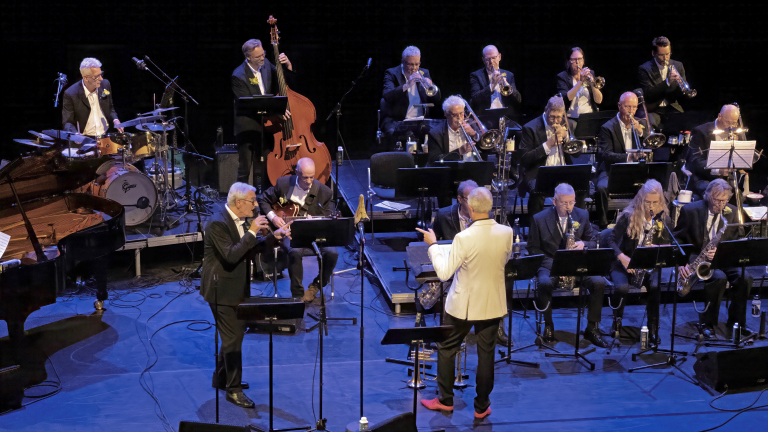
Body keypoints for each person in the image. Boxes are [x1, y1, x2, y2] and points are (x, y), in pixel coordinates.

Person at [416, 187, 513, 419]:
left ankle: (445, 400)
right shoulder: (506, 232)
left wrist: (433, 245)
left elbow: (444, 272)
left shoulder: (463, 237)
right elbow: (504, 259)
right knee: (486, 354)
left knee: (447, 348)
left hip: (464, 306)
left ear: (470, 208)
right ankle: (482, 406)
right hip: (492, 303)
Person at [200, 182, 291, 408]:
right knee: (233, 338)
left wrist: (273, 237)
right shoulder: (217, 224)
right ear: (239, 203)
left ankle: (221, 378)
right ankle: (234, 389)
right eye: (252, 201)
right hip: (221, 289)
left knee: (231, 334)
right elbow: (232, 256)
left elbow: (249, 248)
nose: (255, 206)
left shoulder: (237, 218)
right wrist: (251, 231)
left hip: (236, 287)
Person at [526, 183, 608, 348]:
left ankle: (592, 328)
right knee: (544, 283)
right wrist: (559, 265)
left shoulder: (582, 215)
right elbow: (533, 248)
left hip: (578, 264)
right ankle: (548, 326)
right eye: (564, 203)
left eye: (572, 202)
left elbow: (592, 242)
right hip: (551, 265)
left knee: (599, 282)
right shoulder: (539, 218)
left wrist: (583, 244)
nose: (569, 207)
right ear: (554, 201)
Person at [431, 180, 509, 346]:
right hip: (454, 269)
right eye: (471, 197)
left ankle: (499, 329)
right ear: (460, 199)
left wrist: (432, 245)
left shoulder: (491, 221)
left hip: (474, 282)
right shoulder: (444, 215)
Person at [673, 179, 753, 338]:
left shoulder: (732, 211)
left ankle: (737, 323)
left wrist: (721, 251)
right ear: (708, 196)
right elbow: (677, 240)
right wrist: (681, 264)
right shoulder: (690, 211)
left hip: (723, 257)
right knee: (719, 278)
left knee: (745, 278)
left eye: (724, 200)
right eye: (716, 200)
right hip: (699, 257)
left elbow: (735, 242)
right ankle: (707, 323)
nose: (720, 205)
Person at [257, 158, 336, 302]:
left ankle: (315, 286)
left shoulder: (324, 192)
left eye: (312, 177)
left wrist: (317, 220)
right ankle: (298, 294)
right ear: (297, 173)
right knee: (294, 252)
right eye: (305, 177)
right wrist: (274, 218)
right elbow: (263, 200)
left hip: (316, 234)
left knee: (332, 253)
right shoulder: (284, 184)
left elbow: (329, 216)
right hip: (292, 233)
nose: (309, 181)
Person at [606, 179, 670, 345]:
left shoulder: (663, 219)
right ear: (641, 200)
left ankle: (653, 327)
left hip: (648, 265)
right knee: (621, 287)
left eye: (655, 202)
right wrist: (622, 257)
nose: (651, 206)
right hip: (624, 263)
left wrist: (659, 247)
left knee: (655, 287)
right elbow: (610, 241)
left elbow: (667, 244)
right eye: (647, 201)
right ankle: (617, 322)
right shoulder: (628, 216)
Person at [232, 38, 294, 187]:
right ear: (248, 57)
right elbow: (251, 105)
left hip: (265, 125)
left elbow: (282, 78)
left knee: (267, 167)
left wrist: (287, 65)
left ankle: (265, 200)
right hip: (247, 126)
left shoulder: (265, 64)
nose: (263, 58)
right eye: (258, 56)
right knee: (245, 169)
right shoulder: (238, 75)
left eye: (263, 54)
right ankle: (240, 200)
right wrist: (276, 112)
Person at [518, 96, 583, 217]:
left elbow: (578, 153)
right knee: (538, 192)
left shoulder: (566, 124)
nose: (555, 121)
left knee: (582, 188)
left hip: (563, 171)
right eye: (552, 116)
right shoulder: (530, 128)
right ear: (546, 110)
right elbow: (525, 159)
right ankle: (536, 231)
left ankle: (576, 226)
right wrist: (548, 145)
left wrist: (566, 138)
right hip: (539, 173)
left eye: (559, 117)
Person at [594, 91, 650, 228]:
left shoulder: (639, 126)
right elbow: (605, 155)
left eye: (634, 107)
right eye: (627, 107)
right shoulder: (607, 127)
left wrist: (641, 132)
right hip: (610, 171)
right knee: (601, 188)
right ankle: (603, 225)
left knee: (649, 187)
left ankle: (641, 224)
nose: (631, 111)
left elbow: (649, 144)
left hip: (633, 171)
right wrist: (629, 157)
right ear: (619, 106)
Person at [381, 46, 442, 147]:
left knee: (439, 131)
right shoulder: (391, 73)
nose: (414, 68)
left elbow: (436, 98)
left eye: (417, 64)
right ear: (403, 62)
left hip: (420, 120)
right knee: (394, 133)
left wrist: (431, 85)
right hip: (396, 120)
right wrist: (407, 85)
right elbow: (387, 95)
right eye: (410, 64)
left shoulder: (424, 72)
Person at [686, 104, 745, 199]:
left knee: (738, 197)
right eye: (728, 122)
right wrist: (718, 170)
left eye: (734, 123)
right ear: (719, 116)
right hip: (704, 178)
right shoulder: (701, 132)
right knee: (716, 194)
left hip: (728, 179)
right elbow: (695, 161)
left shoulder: (736, 132)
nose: (731, 127)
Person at [637, 36, 694, 129]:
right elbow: (648, 94)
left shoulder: (678, 65)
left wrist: (683, 88)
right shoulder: (644, 69)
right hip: (653, 109)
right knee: (649, 124)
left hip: (671, 107)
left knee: (687, 124)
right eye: (661, 55)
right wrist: (667, 82)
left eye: (668, 54)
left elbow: (682, 95)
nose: (665, 58)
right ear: (653, 53)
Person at [62, 57, 122, 135]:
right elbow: (67, 123)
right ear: (86, 78)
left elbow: (110, 108)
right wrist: (75, 134)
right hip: (85, 139)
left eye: (101, 74)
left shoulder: (105, 84)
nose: (101, 78)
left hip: (106, 135)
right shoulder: (71, 93)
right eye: (97, 76)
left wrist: (115, 120)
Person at [556, 47, 603, 131]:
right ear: (568, 62)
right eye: (574, 60)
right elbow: (566, 99)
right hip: (570, 119)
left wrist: (592, 84)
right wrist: (580, 82)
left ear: (583, 60)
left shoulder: (591, 73)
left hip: (589, 118)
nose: (577, 62)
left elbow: (599, 100)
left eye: (580, 59)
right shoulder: (563, 77)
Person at [426, 96, 480, 165]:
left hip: (473, 169)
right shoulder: (435, 133)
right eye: (455, 115)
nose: (459, 118)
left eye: (461, 113)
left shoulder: (472, 125)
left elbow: (485, 148)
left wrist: (474, 134)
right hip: (449, 172)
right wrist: (459, 151)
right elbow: (434, 160)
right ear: (446, 113)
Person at [469, 45, 521, 114]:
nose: (491, 62)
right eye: (488, 59)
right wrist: (492, 85)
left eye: (494, 58)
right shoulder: (476, 75)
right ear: (483, 60)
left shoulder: (509, 75)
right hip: (486, 117)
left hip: (506, 117)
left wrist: (507, 86)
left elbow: (518, 100)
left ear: (499, 57)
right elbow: (474, 100)